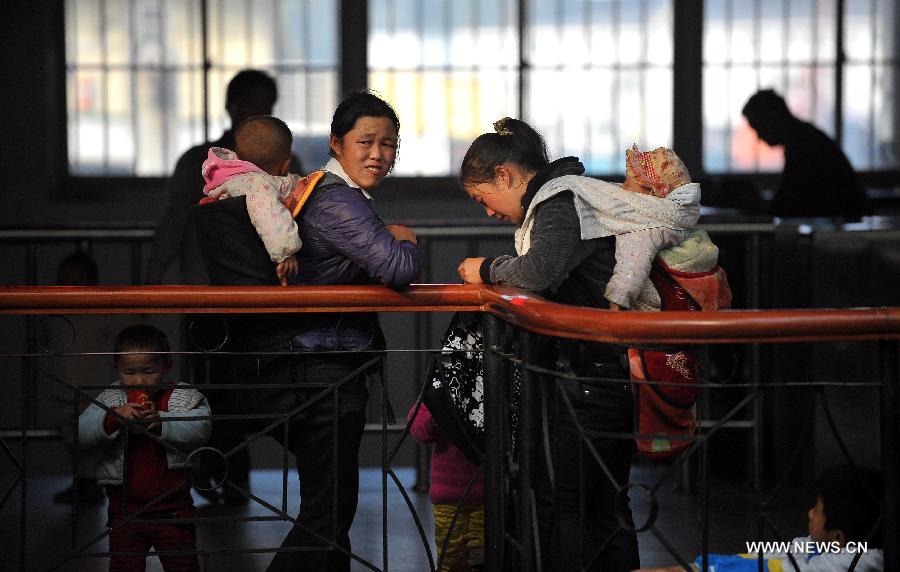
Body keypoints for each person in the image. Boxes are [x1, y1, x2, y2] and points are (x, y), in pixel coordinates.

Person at [196, 90, 423, 571]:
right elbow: (396, 267)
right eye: (365, 142)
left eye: (389, 144)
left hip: (312, 367)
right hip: (321, 372)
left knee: (331, 513)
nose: (378, 154)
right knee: (328, 513)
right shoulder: (336, 200)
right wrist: (407, 240)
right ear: (337, 144)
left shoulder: (318, 192)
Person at [455, 117, 642, 571]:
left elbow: (540, 270)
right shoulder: (564, 196)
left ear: (505, 175)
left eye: (483, 198)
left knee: (570, 505)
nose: (488, 212)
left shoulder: (560, 200)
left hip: (589, 379)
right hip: (600, 375)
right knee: (604, 508)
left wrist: (486, 269)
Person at [146, 69, 303, 286]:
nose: (257, 112)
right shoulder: (198, 162)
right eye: (250, 103)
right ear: (231, 105)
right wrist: (154, 270)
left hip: (267, 280)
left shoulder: (286, 160)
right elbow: (175, 219)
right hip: (205, 278)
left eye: (265, 106)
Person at [78, 325, 212, 572]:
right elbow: (82, 432)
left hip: (174, 511)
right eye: (129, 372)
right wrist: (112, 418)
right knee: (124, 566)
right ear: (117, 368)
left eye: (149, 371)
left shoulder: (181, 396)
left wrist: (162, 421)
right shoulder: (111, 398)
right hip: (124, 512)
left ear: (167, 366)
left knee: (183, 565)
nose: (139, 380)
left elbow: (201, 429)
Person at [638, 464, 884, 571]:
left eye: (817, 511)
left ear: (838, 536)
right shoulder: (819, 545)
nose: (809, 513)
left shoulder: (856, 562)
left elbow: (781, 569)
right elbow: (774, 554)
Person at [201, 115, 305, 285]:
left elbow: (285, 185)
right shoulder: (257, 186)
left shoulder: (239, 181)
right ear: (285, 165)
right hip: (259, 272)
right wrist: (286, 251)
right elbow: (269, 214)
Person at [741, 89, 871, 220]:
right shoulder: (805, 138)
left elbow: (791, 196)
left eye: (758, 127)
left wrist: (763, 213)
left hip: (850, 225)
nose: (759, 136)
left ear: (771, 118)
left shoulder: (802, 144)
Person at [408, 401, 485, 571]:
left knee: (471, 557)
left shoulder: (443, 388)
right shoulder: (443, 390)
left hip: (468, 493)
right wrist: (435, 420)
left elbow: (417, 422)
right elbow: (418, 423)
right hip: (457, 496)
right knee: (455, 557)